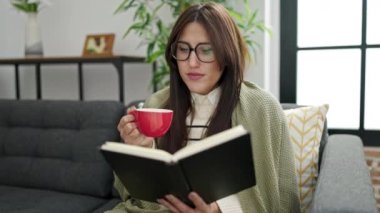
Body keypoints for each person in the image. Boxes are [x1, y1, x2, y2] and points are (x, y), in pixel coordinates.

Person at [109, 2, 300, 213]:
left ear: (226, 53)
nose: (191, 62)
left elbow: (280, 198)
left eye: (206, 50)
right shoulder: (157, 103)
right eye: (183, 49)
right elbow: (135, 197)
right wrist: (139, 150)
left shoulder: (261, 107)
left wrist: (217, 209)